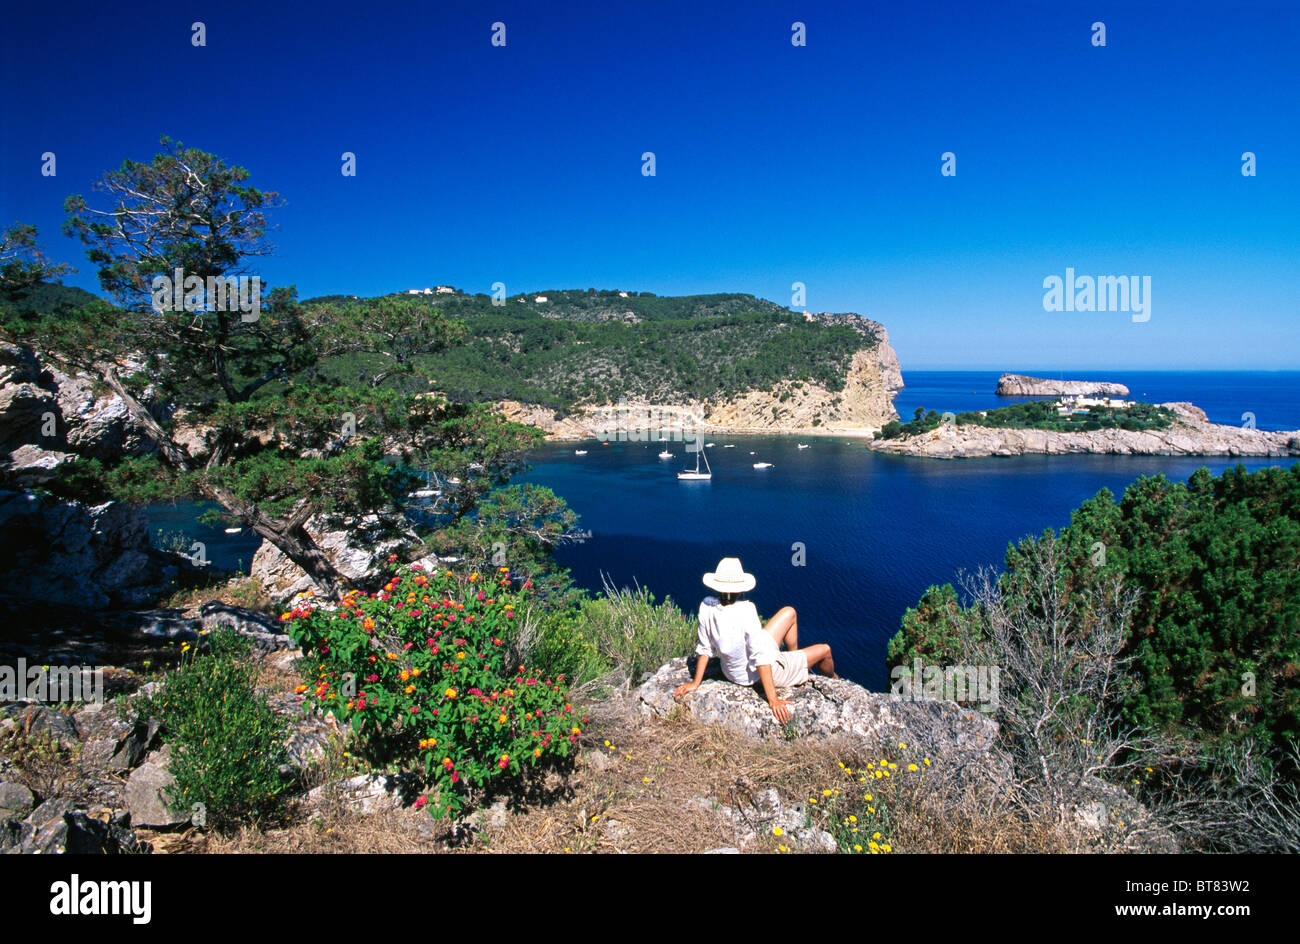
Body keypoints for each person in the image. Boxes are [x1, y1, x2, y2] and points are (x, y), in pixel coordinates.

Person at [672, 557, 837, 723]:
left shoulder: (706, 606)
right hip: (754, 675)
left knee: (790, 612)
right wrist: (773, 700)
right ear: (740, 589)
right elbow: (761, 657)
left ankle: (793, 657)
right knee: (825, 650)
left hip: (731, 671)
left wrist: (695, 682)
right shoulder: (746, 611)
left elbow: (705, 648)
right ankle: (833, 680)